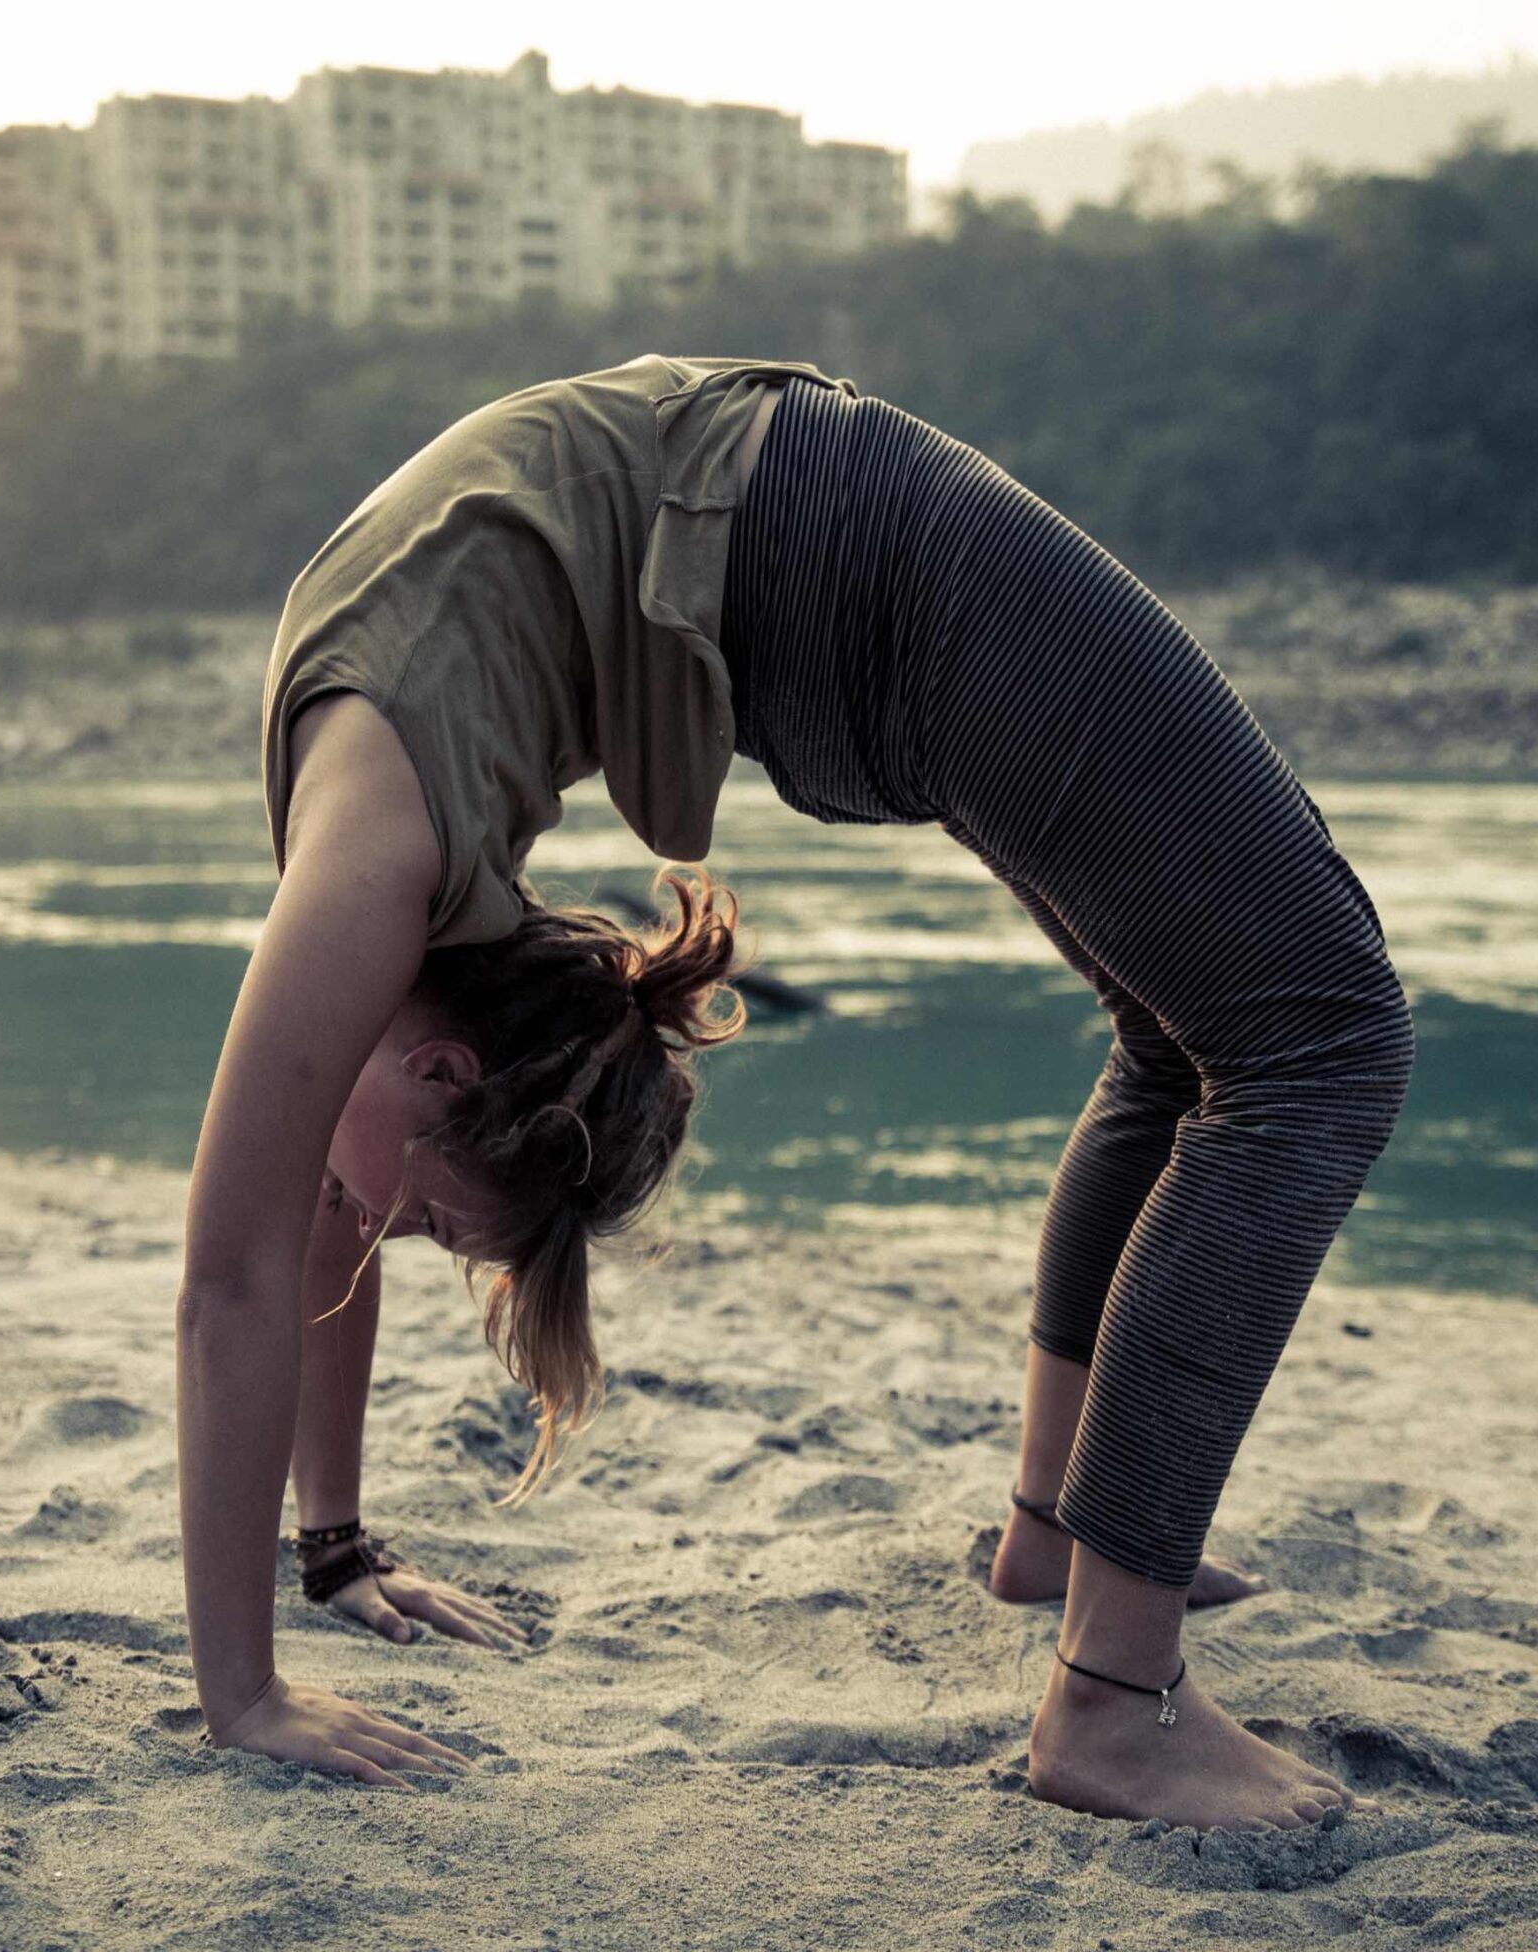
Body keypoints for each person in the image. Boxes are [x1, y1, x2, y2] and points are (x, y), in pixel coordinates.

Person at [177, 354, 1415, 1834]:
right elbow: (311, 1224)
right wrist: (320, 1570)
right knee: (1253, 1042)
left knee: (1290, 1040)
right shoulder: (388, 935)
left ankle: (1081, 1619)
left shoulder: (369, 871)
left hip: (851, 567)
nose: (384, 1232)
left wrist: (246, 1687)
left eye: (429, 1225)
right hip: (809, 577)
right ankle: (1098, 1654)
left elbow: (236, 1272)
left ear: (445, 1073)